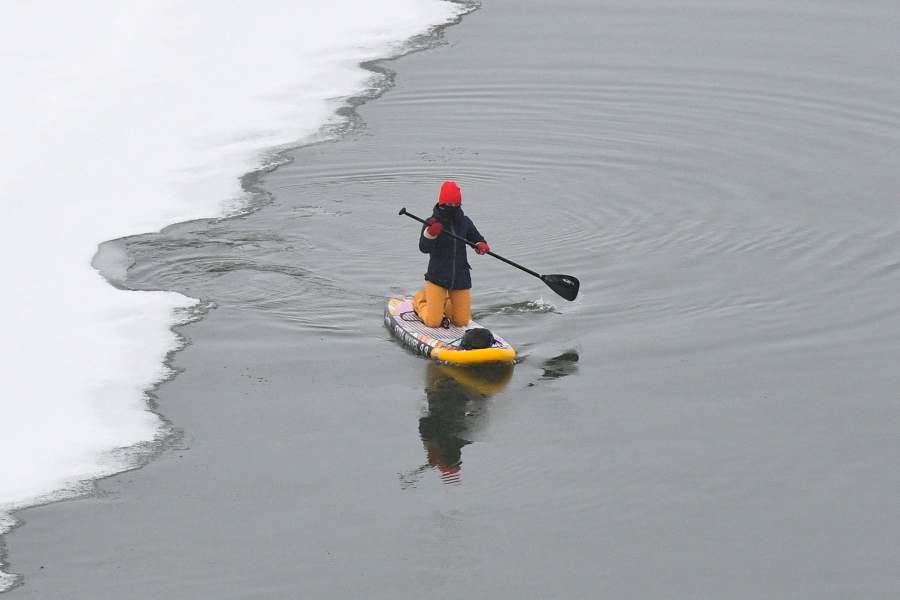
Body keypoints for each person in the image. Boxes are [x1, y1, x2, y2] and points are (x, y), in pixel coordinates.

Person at [413, 180, 490, 328]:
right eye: (449, 205)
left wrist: (481, 246)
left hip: (460, 277)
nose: (452, 208)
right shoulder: (432, 222)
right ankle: (420, 300)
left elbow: (477, 239)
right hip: (437, 277)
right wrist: (430, 234)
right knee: (433, 322)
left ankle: (441, 302)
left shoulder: (465, 222)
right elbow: (423, 248)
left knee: (461, 322)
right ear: (441, 204)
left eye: (456, 205)